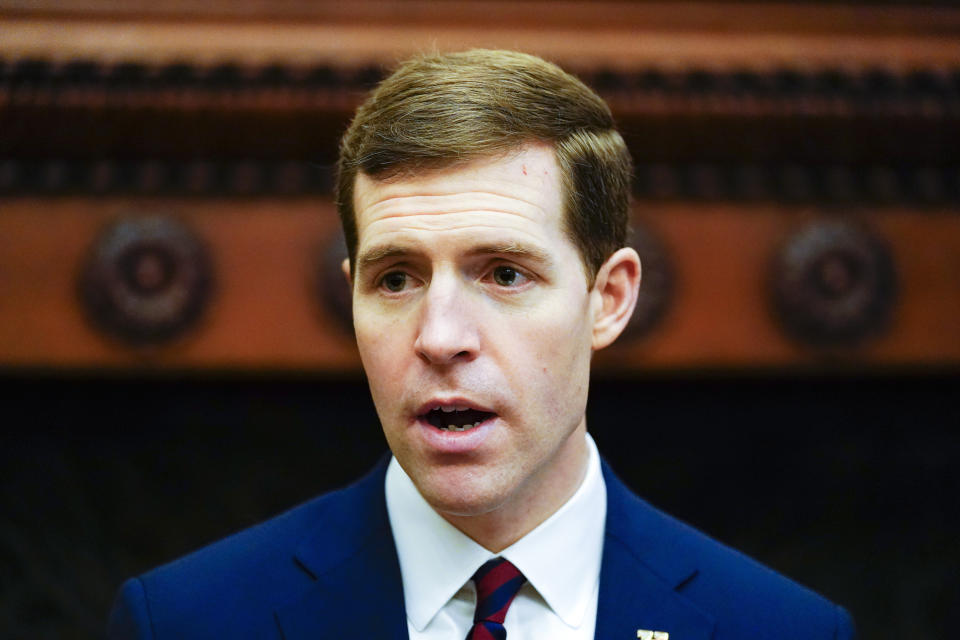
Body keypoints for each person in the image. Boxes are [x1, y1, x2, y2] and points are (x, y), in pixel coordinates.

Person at [108, 49, 855, 639]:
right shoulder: (184, 621)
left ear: (610, 299)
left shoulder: (779, 629)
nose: (439, 338)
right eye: (396, 279)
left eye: (503, 273)